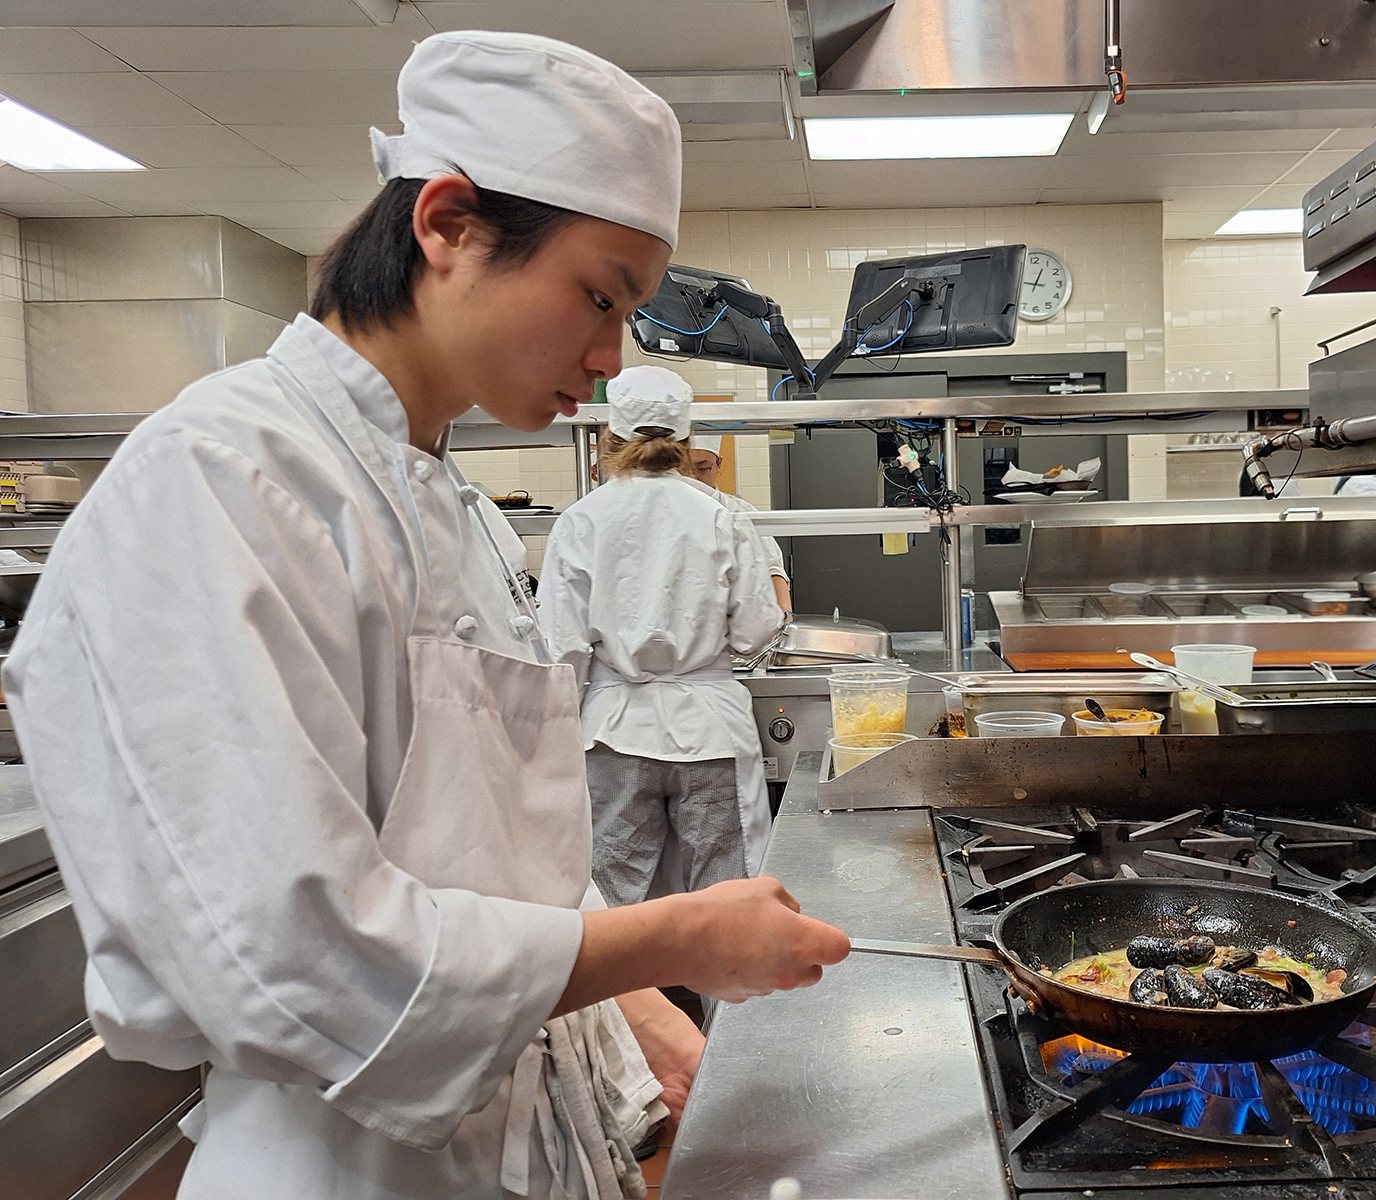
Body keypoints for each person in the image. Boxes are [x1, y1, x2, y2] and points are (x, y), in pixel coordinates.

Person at [2, 31, 847, 1200]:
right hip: (346, 1166)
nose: (608, 362)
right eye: (599, 297)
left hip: (520, 1142)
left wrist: (643, 1012)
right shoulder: (219, 480)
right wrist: (676, 939)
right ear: (446, 223)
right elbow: (290, 958)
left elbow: (509, 859)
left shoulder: (458, 506)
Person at [538, 368, 784, 910]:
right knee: (730, 900)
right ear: (686, 441)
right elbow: (756, 629)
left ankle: (623, 998)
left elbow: (561, 650)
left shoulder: (582, 520)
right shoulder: (721, 517)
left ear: (610, 441)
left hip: (612, 731)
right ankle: (730, 996)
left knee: (610, 900)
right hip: (710, 730)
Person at [686, 433, 793, 616]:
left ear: (718, 464)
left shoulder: (741, 512)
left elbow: (773, 571)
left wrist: (786, 619)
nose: (693, 478)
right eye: (685, 469)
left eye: (702, 468)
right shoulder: (667, 512)